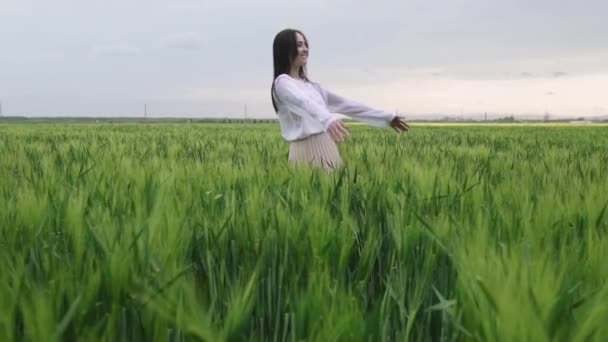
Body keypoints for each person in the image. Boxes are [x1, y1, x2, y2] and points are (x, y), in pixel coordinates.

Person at [270, 28, 409, 170]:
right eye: (299, 45)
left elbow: (346, 104)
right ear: (285, 49)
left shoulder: (312, 86)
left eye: (305, 44)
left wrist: (387, 117)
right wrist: (328, 120)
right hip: (303, 151)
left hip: (328, 148)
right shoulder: (282, 83)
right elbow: (304, 103)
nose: (305, 49)